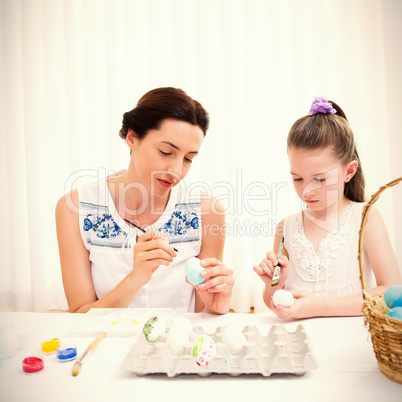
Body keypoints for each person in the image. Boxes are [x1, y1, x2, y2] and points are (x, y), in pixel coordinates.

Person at [56, 87, 234, 314]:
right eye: (166, 152)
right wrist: (136, 278)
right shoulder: (76, 208)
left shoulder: (206, 211)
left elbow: (204, 312)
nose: (177, 170)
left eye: (188, 159)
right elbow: (80, 314)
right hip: (110, 346)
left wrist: (218, 304)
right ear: (132, 138)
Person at [253, 97, 401, 319]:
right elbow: (273, 301)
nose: (307, 191)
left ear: (349, 172)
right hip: (298, 343)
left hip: (351, 342)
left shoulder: (365, 218)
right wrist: (275, 284)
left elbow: (392, 292)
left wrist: (321, 307)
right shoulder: (286, 227)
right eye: (298, 179)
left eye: (320, 179)